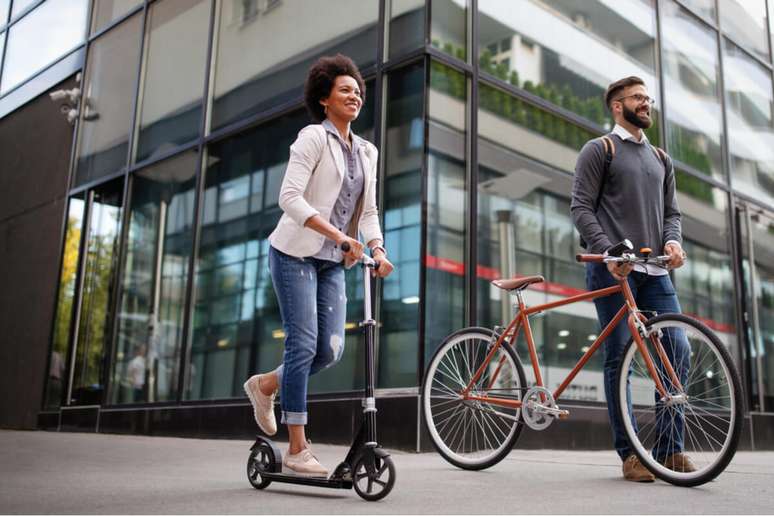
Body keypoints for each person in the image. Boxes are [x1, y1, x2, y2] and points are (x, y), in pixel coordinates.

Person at [243, 54, 394, 477]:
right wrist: (339, 237)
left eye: (358, 91)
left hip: (331, 262)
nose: (355, 96)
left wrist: (377, 248)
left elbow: (368, 210)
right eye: (345, 89)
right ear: (324, 98)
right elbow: (289, 198)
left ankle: (266, 385)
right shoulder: (312, 137)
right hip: (293, 254)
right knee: (303, 343)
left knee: (330, 349)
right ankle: (296, 447)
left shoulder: (367, 151)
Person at [571, 76, 694, 482]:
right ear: (616, 106)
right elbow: (581, 208)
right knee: (620, 356)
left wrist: (673, 242)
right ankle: (631, 454)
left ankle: (670, 449)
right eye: (638, 98)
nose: (646, 104)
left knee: (678, 351)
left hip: (656, 271)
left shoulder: (661, 158)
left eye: (648, 98)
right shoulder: (599, 149)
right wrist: (608, 250)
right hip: (612, 270)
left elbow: (671, 214)